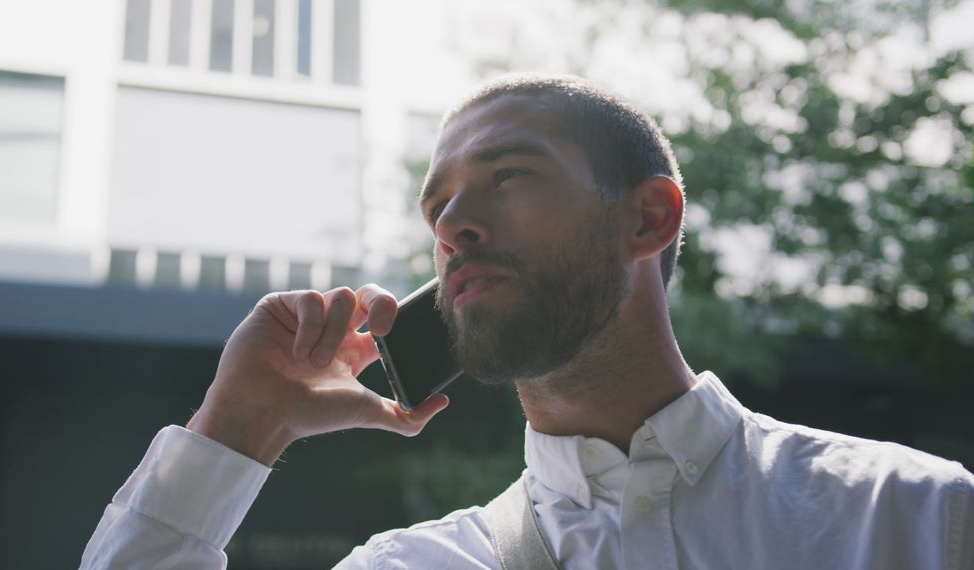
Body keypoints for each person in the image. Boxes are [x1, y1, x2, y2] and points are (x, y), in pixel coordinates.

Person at [81, 73, 974, 569]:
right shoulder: (419, 568)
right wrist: (235, 431)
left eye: (509, 176)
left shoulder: (917, 521)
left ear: (648, 219)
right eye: (438, 207)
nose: (453, 225)